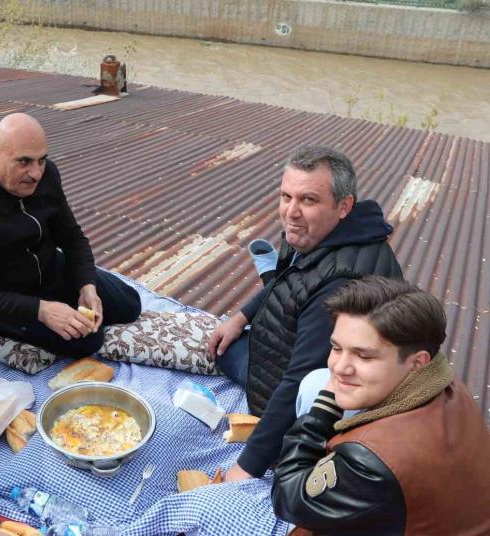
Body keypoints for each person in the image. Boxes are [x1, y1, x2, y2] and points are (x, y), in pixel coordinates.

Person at [207, 145, 402, 482]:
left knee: (229, 358)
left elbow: (301, 376)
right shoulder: (314, 232)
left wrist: (246, 468)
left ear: (344, 206)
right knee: (223, 346)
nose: (291, 212)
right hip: (298, 340)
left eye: (308, 200)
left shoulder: (341, 282)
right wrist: (241, 318)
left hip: (340, 387)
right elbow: (289, 278)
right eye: (286, 197)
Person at [272, 276, 490, 535]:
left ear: (417, 362)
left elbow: (286, 496)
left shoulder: (371, 462)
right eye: (336, 348)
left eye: (364, 356)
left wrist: (322, 411)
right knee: (317, 380)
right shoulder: (444, 380)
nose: (339, 367)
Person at [0, 113, 141, 357]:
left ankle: (68, 301)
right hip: (5, 296)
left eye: (41, 160)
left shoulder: (47, 175)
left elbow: (72, 237)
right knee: (86, 340)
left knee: (129, 304)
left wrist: (86, 284)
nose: (36, 173)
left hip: (49, 268)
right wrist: (41, 310)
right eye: (24, 161)